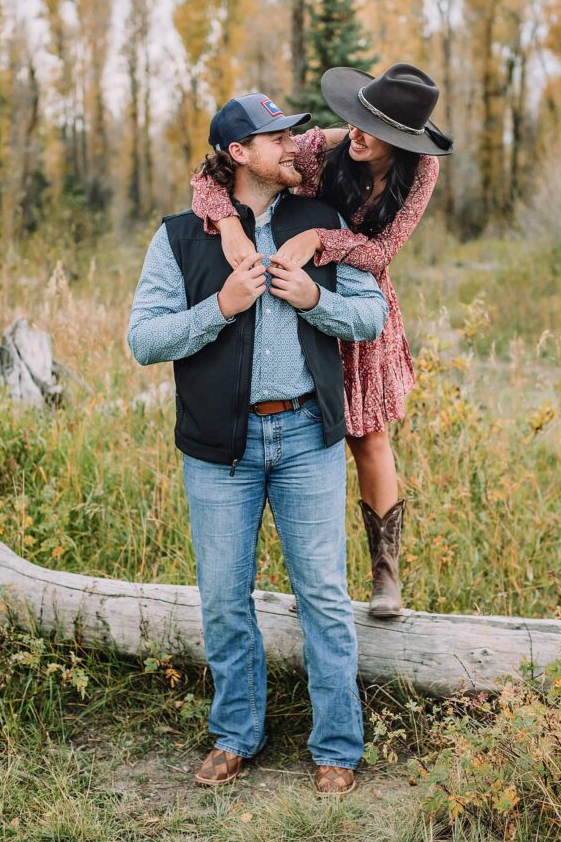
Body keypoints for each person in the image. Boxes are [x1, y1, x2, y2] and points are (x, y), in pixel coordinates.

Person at [128, 92, 388, 795]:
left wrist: (315, 300)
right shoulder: (181, 236)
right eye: (276, 138)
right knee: (222, 598)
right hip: (219, 447)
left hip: (308, 435)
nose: (294, 147)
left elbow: (370, 315)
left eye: (295, 134)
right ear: (238, 153)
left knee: (324, 598)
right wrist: (218, 309)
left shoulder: (322, 221)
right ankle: (236, 734)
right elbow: (142, 338)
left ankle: (336, 745)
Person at [191, 63, 453, 618]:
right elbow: (205, 177)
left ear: (401, 142)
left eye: (371, 130)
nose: (354, 132)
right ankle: (308, 573)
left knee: (369, 437)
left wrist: (318, 237)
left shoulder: (420, 172)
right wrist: (233, 226)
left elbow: (381, 254)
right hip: (295, 300)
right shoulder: (322, 147)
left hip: (353, 294)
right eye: (355, 119)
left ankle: (386, 575)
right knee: (311, 429)